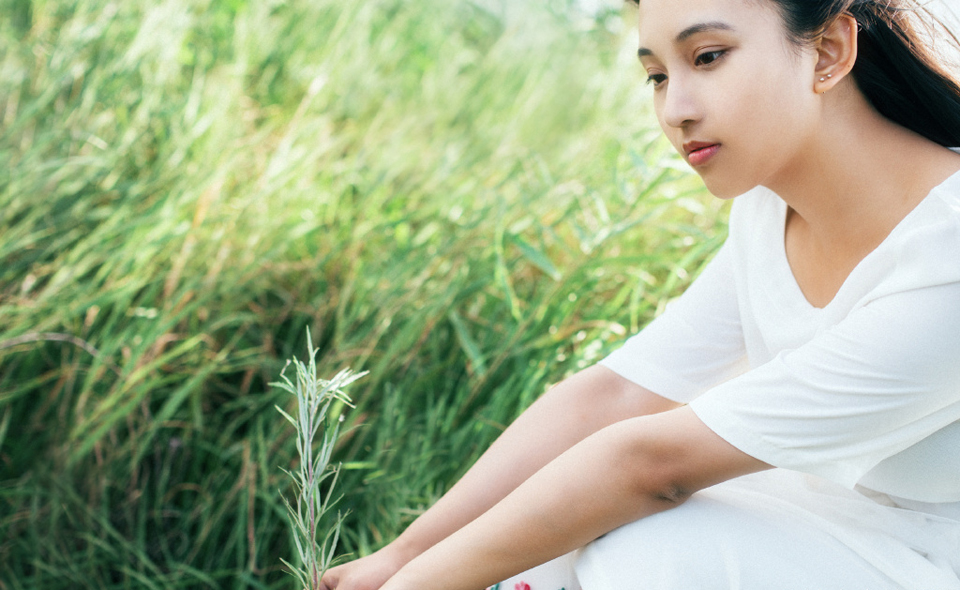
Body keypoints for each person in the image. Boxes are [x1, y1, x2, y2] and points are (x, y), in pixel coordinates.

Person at [321, 0, 960, 588]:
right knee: (558, 539)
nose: (675, 108)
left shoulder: (948, 252)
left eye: (708, 57)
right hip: (820, 527)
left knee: (642, 551)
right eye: (657, 75)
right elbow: (619, 392)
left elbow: (652, 466)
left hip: (926, 560)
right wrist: (401, 556)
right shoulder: (770, 212)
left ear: (827, 53)